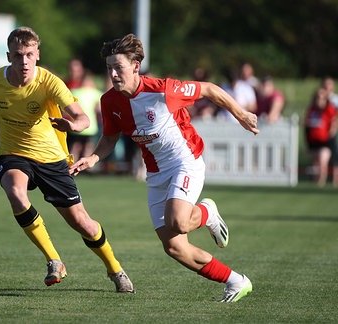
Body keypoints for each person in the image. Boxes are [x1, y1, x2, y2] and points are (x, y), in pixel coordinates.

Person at [70, 34, 259, 302]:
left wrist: (241, 114)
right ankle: (236, 281)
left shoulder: (162, 90)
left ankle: (205, 212)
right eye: (109, 67)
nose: (113, 73)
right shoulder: (109, 101)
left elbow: (208, 89)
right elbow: (110, 138)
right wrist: (93, 158)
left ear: (135, 66)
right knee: (174, 246)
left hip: (186, 160)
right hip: (156, 173)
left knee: (179, 221)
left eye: (118, 67)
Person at [0, 26, 134, 293]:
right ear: (9, 56)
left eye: (29, 54)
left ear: (37, 54)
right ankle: (54, 260)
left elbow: (83, 118)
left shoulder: (50, 82)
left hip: (52, 159)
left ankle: (115, 269)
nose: (24, 61)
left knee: (83, 223)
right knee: (16, 193)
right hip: (14, 154)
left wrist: (74, 125)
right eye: (18, 55)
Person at [304, 88, 337, 187]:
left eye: (322, 98)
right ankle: (315, 182)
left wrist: (331, 132)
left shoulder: (329, 109)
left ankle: (321, 183)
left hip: (326, 141)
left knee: (323, 160)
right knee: (316, 163)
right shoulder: (312, 110)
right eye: (318, 97)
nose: (320, 100)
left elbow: (334, 121)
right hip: (314, 142)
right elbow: (307, 124)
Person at [68, 72, 102, 162]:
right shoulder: (95, 93)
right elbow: (99, 109)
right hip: (90, 126)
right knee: (88, 147)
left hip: (76, 125)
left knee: (74, 147)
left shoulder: (74, 91)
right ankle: (86, 167)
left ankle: (69, 164)